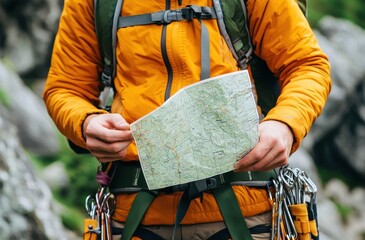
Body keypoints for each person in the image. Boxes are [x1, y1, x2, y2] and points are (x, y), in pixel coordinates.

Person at [43, 0, 331, 239]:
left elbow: (307, 65)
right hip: (132, 214)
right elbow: (65, 88)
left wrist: (285, 124)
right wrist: (85, 123)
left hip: (247, 210)